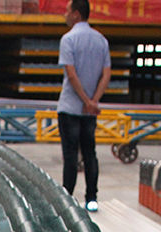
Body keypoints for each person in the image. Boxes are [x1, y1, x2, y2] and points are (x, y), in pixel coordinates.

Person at [56, 0, 111, 212]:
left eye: (67, 11)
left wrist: (85, 101)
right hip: (90, 112)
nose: (65, 15)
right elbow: (106, 74)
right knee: (89, 153)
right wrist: (93, 101)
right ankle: (91, 198)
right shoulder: (101, 41)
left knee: (70, 155)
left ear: (76, 14)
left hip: (71, 107)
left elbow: (71, 74)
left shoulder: (68, 39)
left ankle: (67, 200)